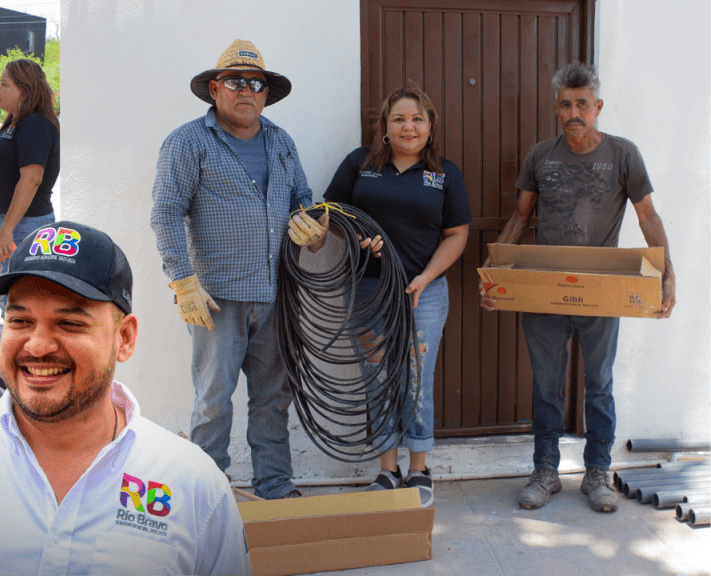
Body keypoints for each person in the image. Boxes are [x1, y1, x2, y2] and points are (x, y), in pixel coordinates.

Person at [0, 221, 250, 575]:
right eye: (20, 321)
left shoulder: (195, 487)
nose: (38, 346)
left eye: (69, 323)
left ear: (124, 338)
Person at [480, 63, 675, 513]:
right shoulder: (540, 157)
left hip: (602, 290)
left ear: (598, 107)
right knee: (547, 385)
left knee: (599, 384)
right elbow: (519, 217)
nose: (574, 112)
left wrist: (669, 275)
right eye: (566, 104)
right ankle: (545, 472)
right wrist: (494, 272)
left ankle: (597, 474)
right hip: (546, 289)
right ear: (555, 108)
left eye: (582, 104)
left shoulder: (624, 154)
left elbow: (648, 218)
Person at [290, 84, 471, 507]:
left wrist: (425, 277)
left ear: (430, 126)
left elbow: (457, 234)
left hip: (421, 294)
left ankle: (419, 470)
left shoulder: (445, 173)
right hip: (369, 291)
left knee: (415, 381)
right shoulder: (360, 164)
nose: (408, 126)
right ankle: (387, 471)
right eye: (398, 119)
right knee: (377, 381)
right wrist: (355, 236)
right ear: (385, 128)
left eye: (417, 119)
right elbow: (331, 214)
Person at [150, 40, 310, 500]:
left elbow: (304, 197)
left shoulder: (281, 142)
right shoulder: (188, 142)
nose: (247, 91)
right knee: (214, 401)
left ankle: (276, 487)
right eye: (236, 82)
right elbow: (165, 213)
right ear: (215, 89)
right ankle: (208, 494)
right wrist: (183, 283)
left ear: (266, 92)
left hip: (276, 294)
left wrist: (312, 226)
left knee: (272, 398)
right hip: (214, 298)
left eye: (256, 83)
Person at [0, 58, 60, 403]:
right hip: (8, 221)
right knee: (8, 296)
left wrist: (7, 229)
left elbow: (32, 178)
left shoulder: (34, 126)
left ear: (24, 92)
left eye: (4, 84)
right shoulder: (17, 121)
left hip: (24, 226)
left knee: (22, 304)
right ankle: (9, 355)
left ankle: (13, 378)